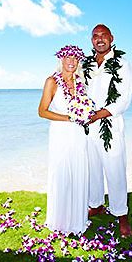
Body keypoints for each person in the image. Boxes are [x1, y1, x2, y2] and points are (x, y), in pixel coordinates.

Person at [84, 24, 132, 238]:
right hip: (87, 127)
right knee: (92, 169)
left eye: (103, 35)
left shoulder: (121, 63)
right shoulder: (85, 64)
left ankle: (121, 216)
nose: (100, 39)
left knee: (115, 170)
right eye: (95, 36)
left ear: (111, 38)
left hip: (110, 126)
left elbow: (124, 99)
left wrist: (98, 114)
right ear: (91, 40)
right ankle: (95, 205)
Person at [38, 45, 93, 235]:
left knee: (78, 172)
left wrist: (85, 115)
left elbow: (85, 107)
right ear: (61, 60)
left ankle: (77, 221)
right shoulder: (51, 81)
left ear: (78, 62)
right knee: (62, 174)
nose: (71, 61)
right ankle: (60, 221)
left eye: (75, 58)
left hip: (78, 135)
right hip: (60, 134)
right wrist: (68, 118)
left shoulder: (81, 82)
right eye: (67, 58)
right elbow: (42, 111)